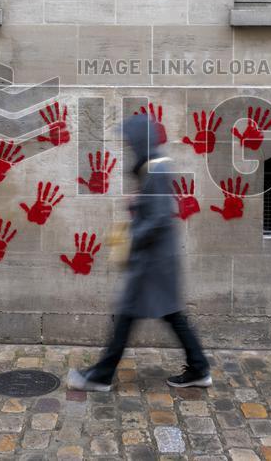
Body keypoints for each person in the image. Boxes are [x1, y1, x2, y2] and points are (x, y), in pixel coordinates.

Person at [67, 113, 211, 391]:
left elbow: (160, 218)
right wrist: (137, 203)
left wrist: (132, 238)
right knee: (171, 314)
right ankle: (199, 367)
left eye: (130, 141)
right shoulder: (154, 167)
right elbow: (158, 210)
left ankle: (100, 376)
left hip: (151, 261)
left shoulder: (156, 170)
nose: (127, 146)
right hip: (158, 260)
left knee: (127, 314)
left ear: (139, 141)